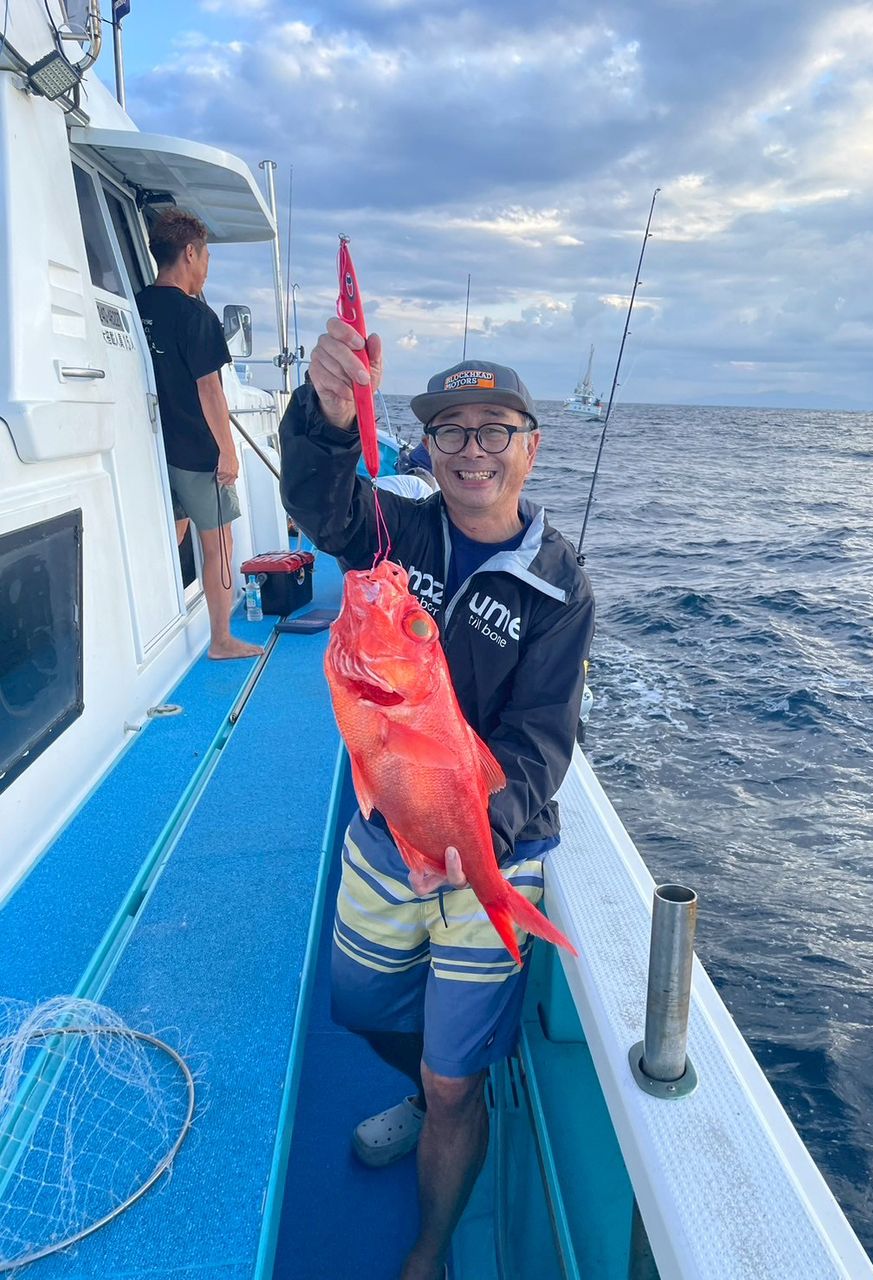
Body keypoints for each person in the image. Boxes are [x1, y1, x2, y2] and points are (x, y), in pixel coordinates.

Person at [280, 320, 594, 1280]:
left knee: (456, 1087)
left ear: (529, 447)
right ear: (428, 449)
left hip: (487, 853)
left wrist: (478, 834)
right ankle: (429, 1082)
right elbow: (322, 507)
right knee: (361, 1003)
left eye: (494, 430)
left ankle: (426, 1243)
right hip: (387, 840)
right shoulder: (398, 529)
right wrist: (330, 415)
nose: (472, 451)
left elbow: (542, 738)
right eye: (451, 431)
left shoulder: (561, 588)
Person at [136, 208, 262, 661]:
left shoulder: (138, 304)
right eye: (206, 254)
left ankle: (156, 626)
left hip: (156, 449)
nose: (207, 264)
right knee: (220, 547)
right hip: (197, 453)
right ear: (189, 253)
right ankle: (222, 640)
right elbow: (209, 390)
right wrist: (227, 453)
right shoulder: (198, 317)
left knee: (175, 531)